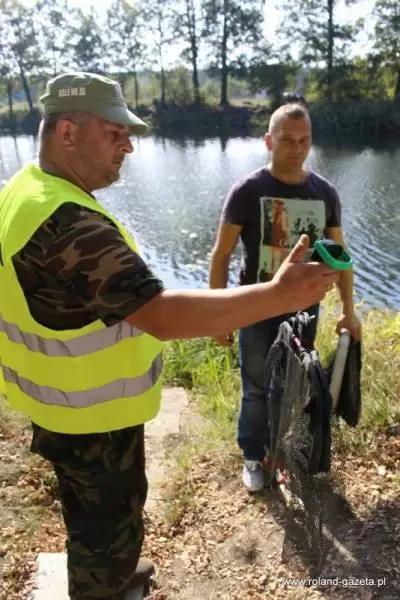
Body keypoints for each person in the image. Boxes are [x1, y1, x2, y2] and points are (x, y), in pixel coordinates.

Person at [0, 72, 338, 600]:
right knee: (105, 523)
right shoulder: (66, 222)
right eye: (114, 133)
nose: (128, 146)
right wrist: (279, 296)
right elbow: (162, 315)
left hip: (66, 405)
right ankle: (105, 586)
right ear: (67, 132)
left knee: (98, 516)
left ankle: (114, 572)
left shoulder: (27, 189)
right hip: (91, 418)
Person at [209, 102, 361, 494]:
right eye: (287, 140)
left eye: (304, 140)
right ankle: (252, 455)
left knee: (291, 387)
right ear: (268, 141)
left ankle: (279, 456)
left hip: (304, 311)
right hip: (254, 308)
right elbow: (221, 255)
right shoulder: (247, 191)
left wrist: (348, 311)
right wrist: (217, 315)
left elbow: (341, 257)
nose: (297, 148)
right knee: (256, 389)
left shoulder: (324, 193)